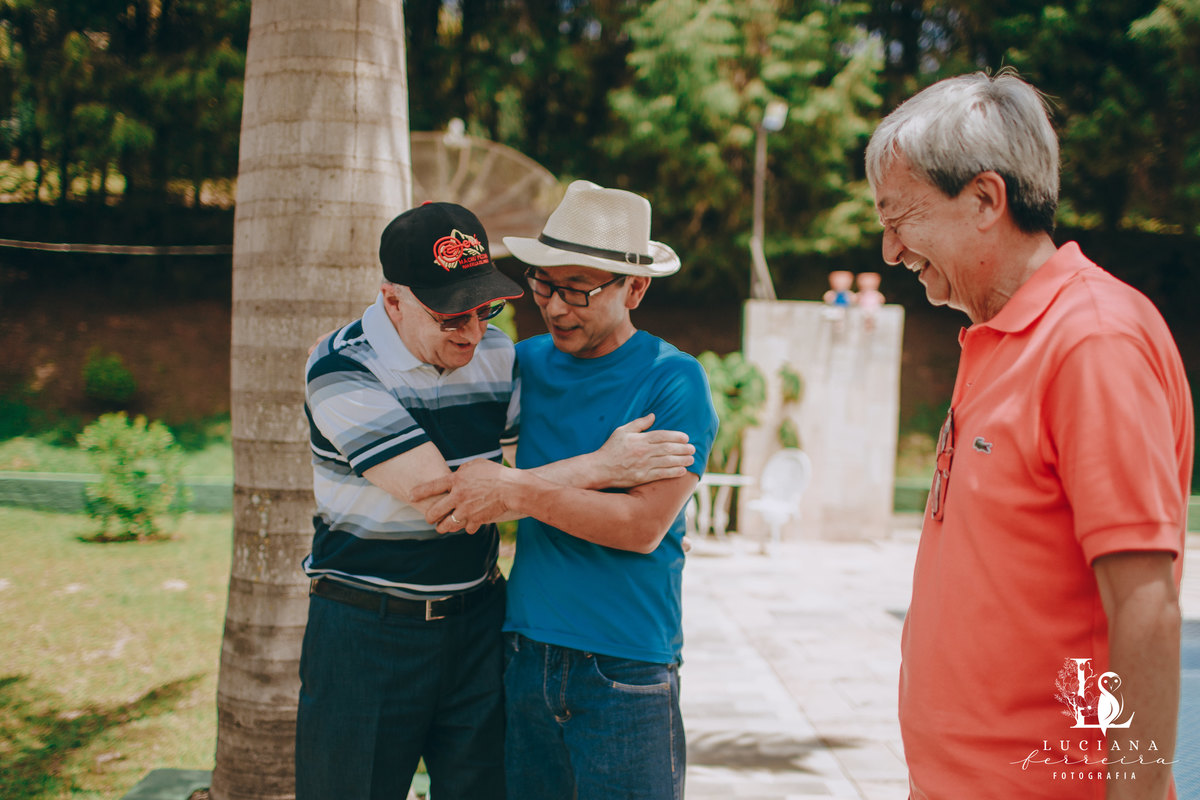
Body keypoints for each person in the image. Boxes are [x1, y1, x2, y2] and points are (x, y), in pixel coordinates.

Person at [295, 201, 696, 800]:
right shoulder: (341, 369)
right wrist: (601, 467)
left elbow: (516, 476)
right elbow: (449, 501)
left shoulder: (500, 355)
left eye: (485, 307)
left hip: (479, 631)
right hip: (366, 631)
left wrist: (635, 506)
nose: (472, 330)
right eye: (450, 316)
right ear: (393, 300)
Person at [865, 70, 1192, 799]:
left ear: (986, 199)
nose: (890, 251)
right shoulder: (997, 336)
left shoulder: (1091, 343)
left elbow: (1146, 607)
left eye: (901, 218)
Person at [415, 180, 719, 800]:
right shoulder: (520, 363)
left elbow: (640, 528)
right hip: (522, 651)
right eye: (544, 284)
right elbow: (423, 378)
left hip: (625, 664)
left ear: (636, 288)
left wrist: (513, 491)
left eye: (578, 290)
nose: (555, 308)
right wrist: (346, 350)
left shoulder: (674, 381)